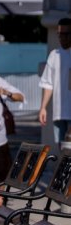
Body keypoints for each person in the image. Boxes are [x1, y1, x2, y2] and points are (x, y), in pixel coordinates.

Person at [38, 17, 71, 146]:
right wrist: (43, 108)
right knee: (62, 149)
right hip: (59, 112)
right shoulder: (54, 55)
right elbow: (48, 83)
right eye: (59, 34)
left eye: (66, 34)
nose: (62, 38)